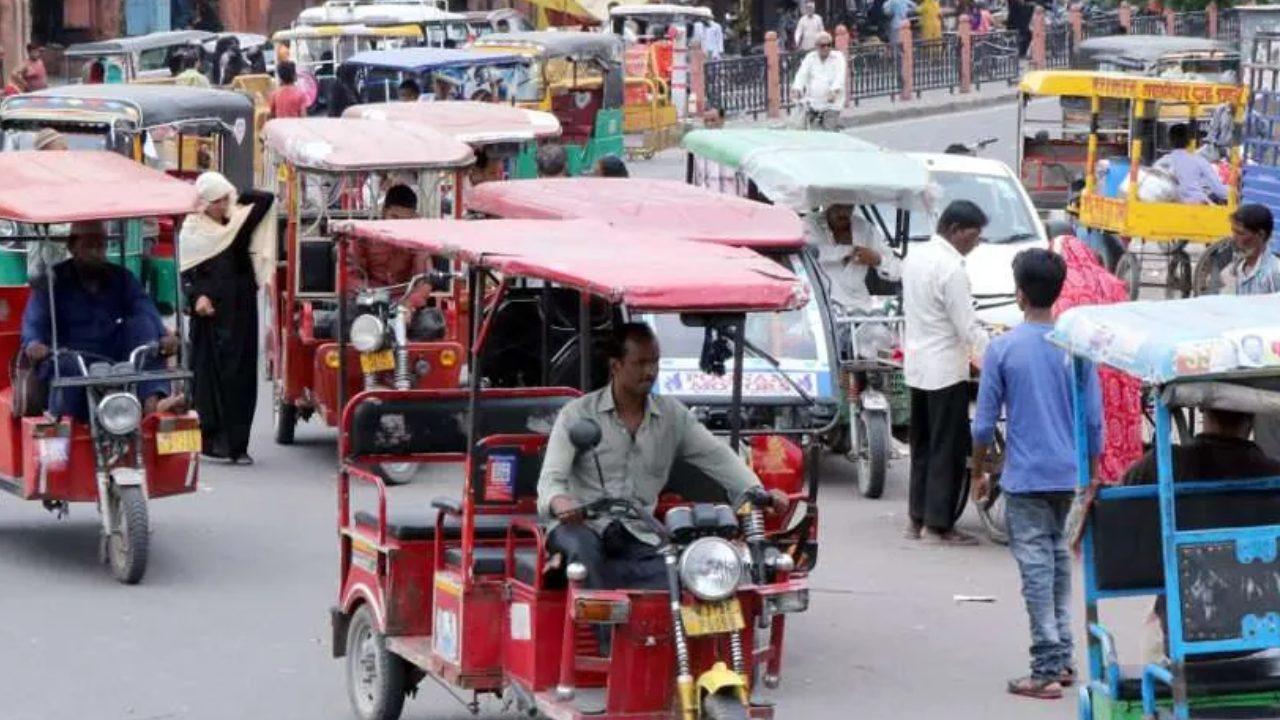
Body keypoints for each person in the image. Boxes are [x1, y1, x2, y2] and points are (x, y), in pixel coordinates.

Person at [538, 322, 789, 594]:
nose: (650, 372)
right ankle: (601, 636)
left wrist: (756, 490)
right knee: (583, 552)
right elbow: (551, 478)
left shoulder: (672, 416)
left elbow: (717, 456)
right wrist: (559, 500)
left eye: (655, 362)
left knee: (689, 572)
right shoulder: (577, 414)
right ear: (616, 365)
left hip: (640, 530)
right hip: (583, 527)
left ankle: (671, 636)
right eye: (640, 363)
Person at [972, 249, 1102, 699]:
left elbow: (984, 425)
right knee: (1058, 562)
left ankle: (1046, 668)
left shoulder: (1003, 348)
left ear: (1020, 293)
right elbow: (1093, 422)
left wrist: (979, 471)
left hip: (1026, 478)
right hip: (1069, 476)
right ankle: (1063, 656)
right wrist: (1093, 472)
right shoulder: (1075, 350)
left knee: (1035, 570)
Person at [21, 221, 183, 420]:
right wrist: (34, 343)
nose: (97, 252)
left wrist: (162, 335)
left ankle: (153, 402)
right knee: (65, 367)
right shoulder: (53, 280)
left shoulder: (121, 277)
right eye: (90, 246)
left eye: (101, 245)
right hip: (69, 355)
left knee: (142, 328)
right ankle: (64, 425)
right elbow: (35, 320)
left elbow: (142, 305)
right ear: (72, 247)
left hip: (112, 352)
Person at [902, 200, 989, 545]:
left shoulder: (916, 257)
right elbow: (967, 326)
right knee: (947, 448)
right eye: (974, 235)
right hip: (945, 369)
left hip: (918, 364)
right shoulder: (951, 269)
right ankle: (938, 524)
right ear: (955, 230)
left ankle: (916, 517)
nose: (976, 242)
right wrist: (993, 352)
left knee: (921, 444)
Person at [179, 173, 275, 464]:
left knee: (240, 376)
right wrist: (197, 297)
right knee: (208, 379)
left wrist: (235, 193)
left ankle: (237, 446)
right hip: (209, 317)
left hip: (240, 311)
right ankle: (210, 439)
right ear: (204, 203)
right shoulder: (192, 231)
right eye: (217, 201)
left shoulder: (237, 225)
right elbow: (185, 273)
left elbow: (265, 199)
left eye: (225, 199)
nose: (223, 205)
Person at [1051, 235, 1142, 483]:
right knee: (1118, 432)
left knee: (1088, 427)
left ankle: (1092, 477)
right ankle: (1123, 480)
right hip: (1120, 370)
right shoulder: (1112, 282)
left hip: (1086, 370)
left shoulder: (1063, 286)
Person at [348, 185, 434, 313]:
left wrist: (409, 304)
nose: (397, 225)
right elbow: (351, 275)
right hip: (366, 301)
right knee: (343, 320)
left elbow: (424, 280)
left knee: (429, 326)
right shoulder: (364, 237)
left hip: (403, 301)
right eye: (394, 217)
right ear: (383, 212)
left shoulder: (417, 240)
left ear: (414, 217)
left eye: (405, 221)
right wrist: (367, 296)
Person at [812, 204, 899, 315]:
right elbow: (813, 253)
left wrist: (878, 260)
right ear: (827, 201)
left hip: (860, 311)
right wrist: (848, 251)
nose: (843, 212)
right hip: (820, 312)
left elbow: (896, 270)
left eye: (848, 206)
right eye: (838, 205)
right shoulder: (808, 226)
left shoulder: (865, 229)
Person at [1154, 124, 1229, 205]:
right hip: (1198, 208)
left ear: (1169, 141)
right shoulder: (1200, 161)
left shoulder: (1160, 163)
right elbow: (1221, 192)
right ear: (1189, 141)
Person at [790, 31, 846, 130]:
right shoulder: (810, 57)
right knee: (801, 128)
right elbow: (802, 74)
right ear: (816, 46)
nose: (826, 48)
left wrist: (834, 91)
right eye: (823, 45)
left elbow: (840, 77)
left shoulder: (838, 58)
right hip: (812, 102)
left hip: (831, 104)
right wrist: (796, 88)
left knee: (828, 131)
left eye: (829, 45)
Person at [1224, 203, 1280, 295]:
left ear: (1261, 235)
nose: (1233, 238)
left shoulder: (1274, 272)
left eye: (1240, 233)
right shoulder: (1238, 269)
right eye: (1233, 231)